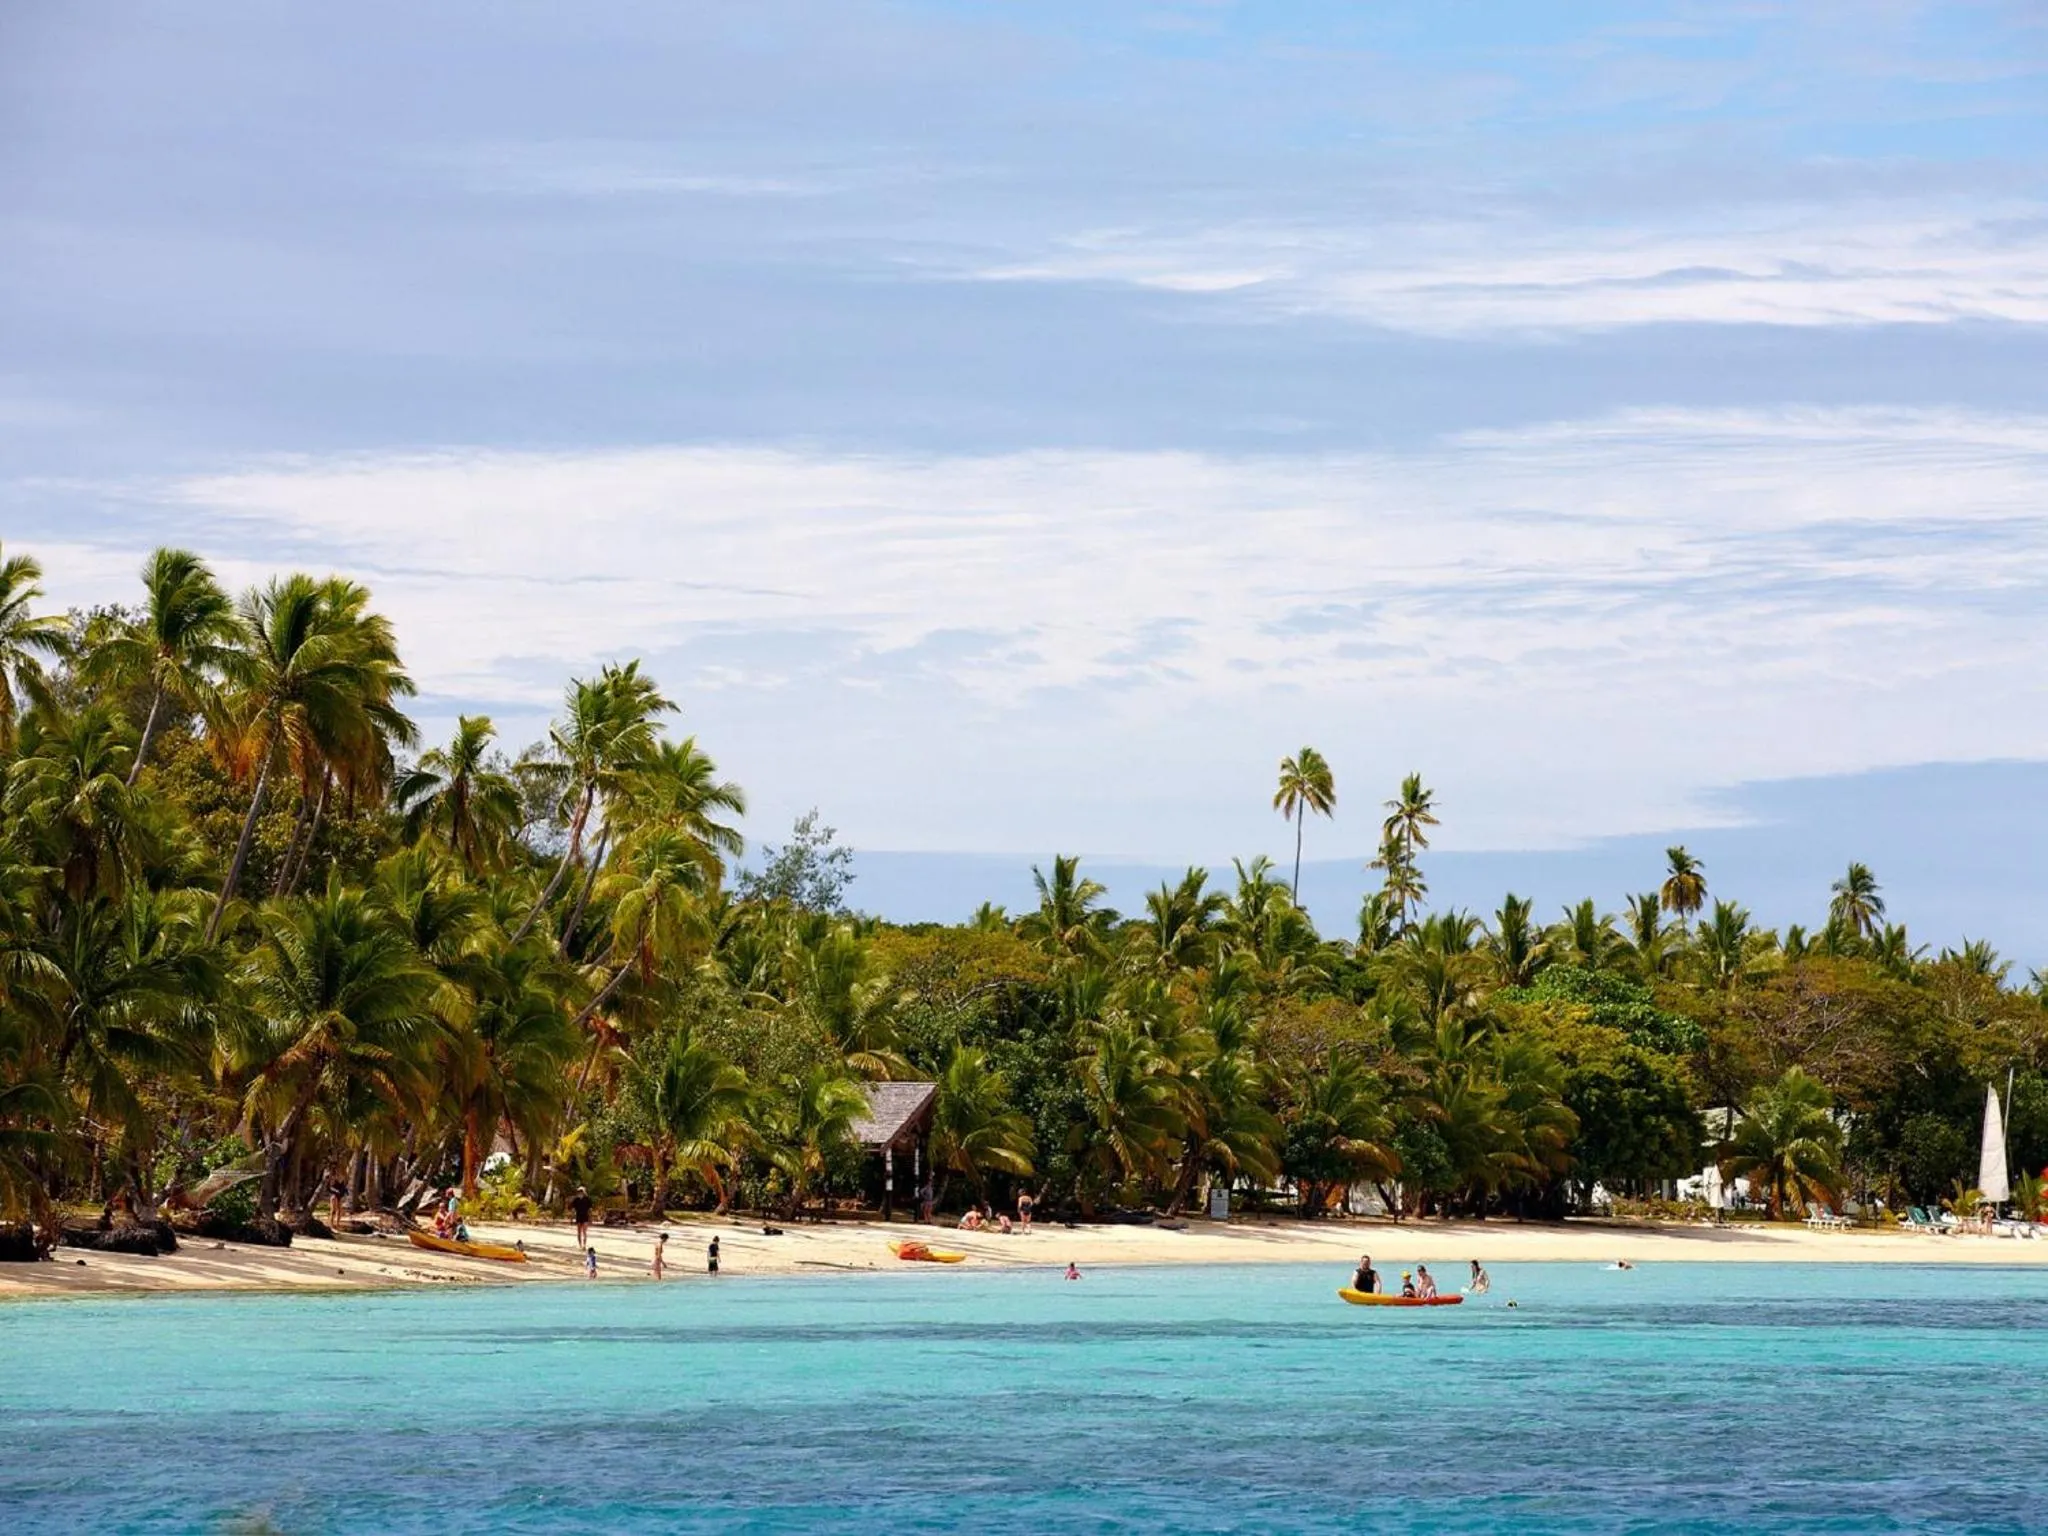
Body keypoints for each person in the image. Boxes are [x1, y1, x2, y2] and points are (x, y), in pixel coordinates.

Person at [570, 1186, 593, 1250]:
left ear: (584, 1192)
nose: (580, 1193)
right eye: (579, 1192)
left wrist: (591, 1218)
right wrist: (572, 1218)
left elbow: (590, 1209)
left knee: (584, 1231)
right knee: (579, 1232)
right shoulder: (576, 1200)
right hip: (578, 1216)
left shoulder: (587, 1199)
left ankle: (584, 1245)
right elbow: (573, 1209)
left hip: (585, 1216)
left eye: (581, 1191)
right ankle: (580, 1245)